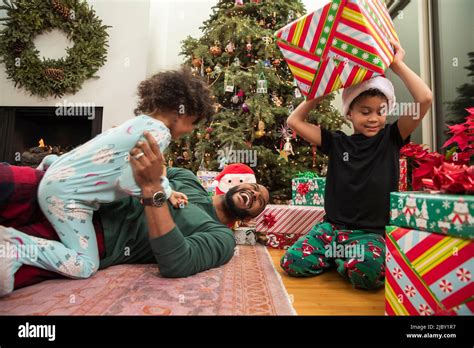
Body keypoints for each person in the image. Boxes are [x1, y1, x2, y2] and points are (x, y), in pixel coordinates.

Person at [0, 68, 215, 295]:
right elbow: (128, 181)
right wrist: (151, 197)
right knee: (85, 265)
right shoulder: (161, 135)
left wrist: (167, 191)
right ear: (181, 112)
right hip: (67, 197)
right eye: (194, 123)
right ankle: (16, 246)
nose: (191, 130)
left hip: (58, 171)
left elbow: (148, 170)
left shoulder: (141, 123)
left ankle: (47, 163)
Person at [0, 139, 270, 295]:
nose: (255, 194)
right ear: (234, 183)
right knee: (9, 181)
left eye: (260, 201)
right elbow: (149, 168)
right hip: (82, 191)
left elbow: (177, 263)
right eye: (255, 187)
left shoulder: (221, 238)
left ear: (250, 219)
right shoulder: (187, 178)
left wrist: (154, 193)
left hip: (100, 235)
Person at [281, 40, 433, 290]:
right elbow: (294, 121)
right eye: (365, 112)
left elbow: (425, 98)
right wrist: (319, 92)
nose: (374, 118)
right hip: (331, 230)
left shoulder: (392, 138)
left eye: (381, 111)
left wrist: (397, 63)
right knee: (292, 262)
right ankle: (341, 257)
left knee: (369, 273)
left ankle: (343, 260)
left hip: (369, 235)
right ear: (349, 113)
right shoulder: (336, 142)